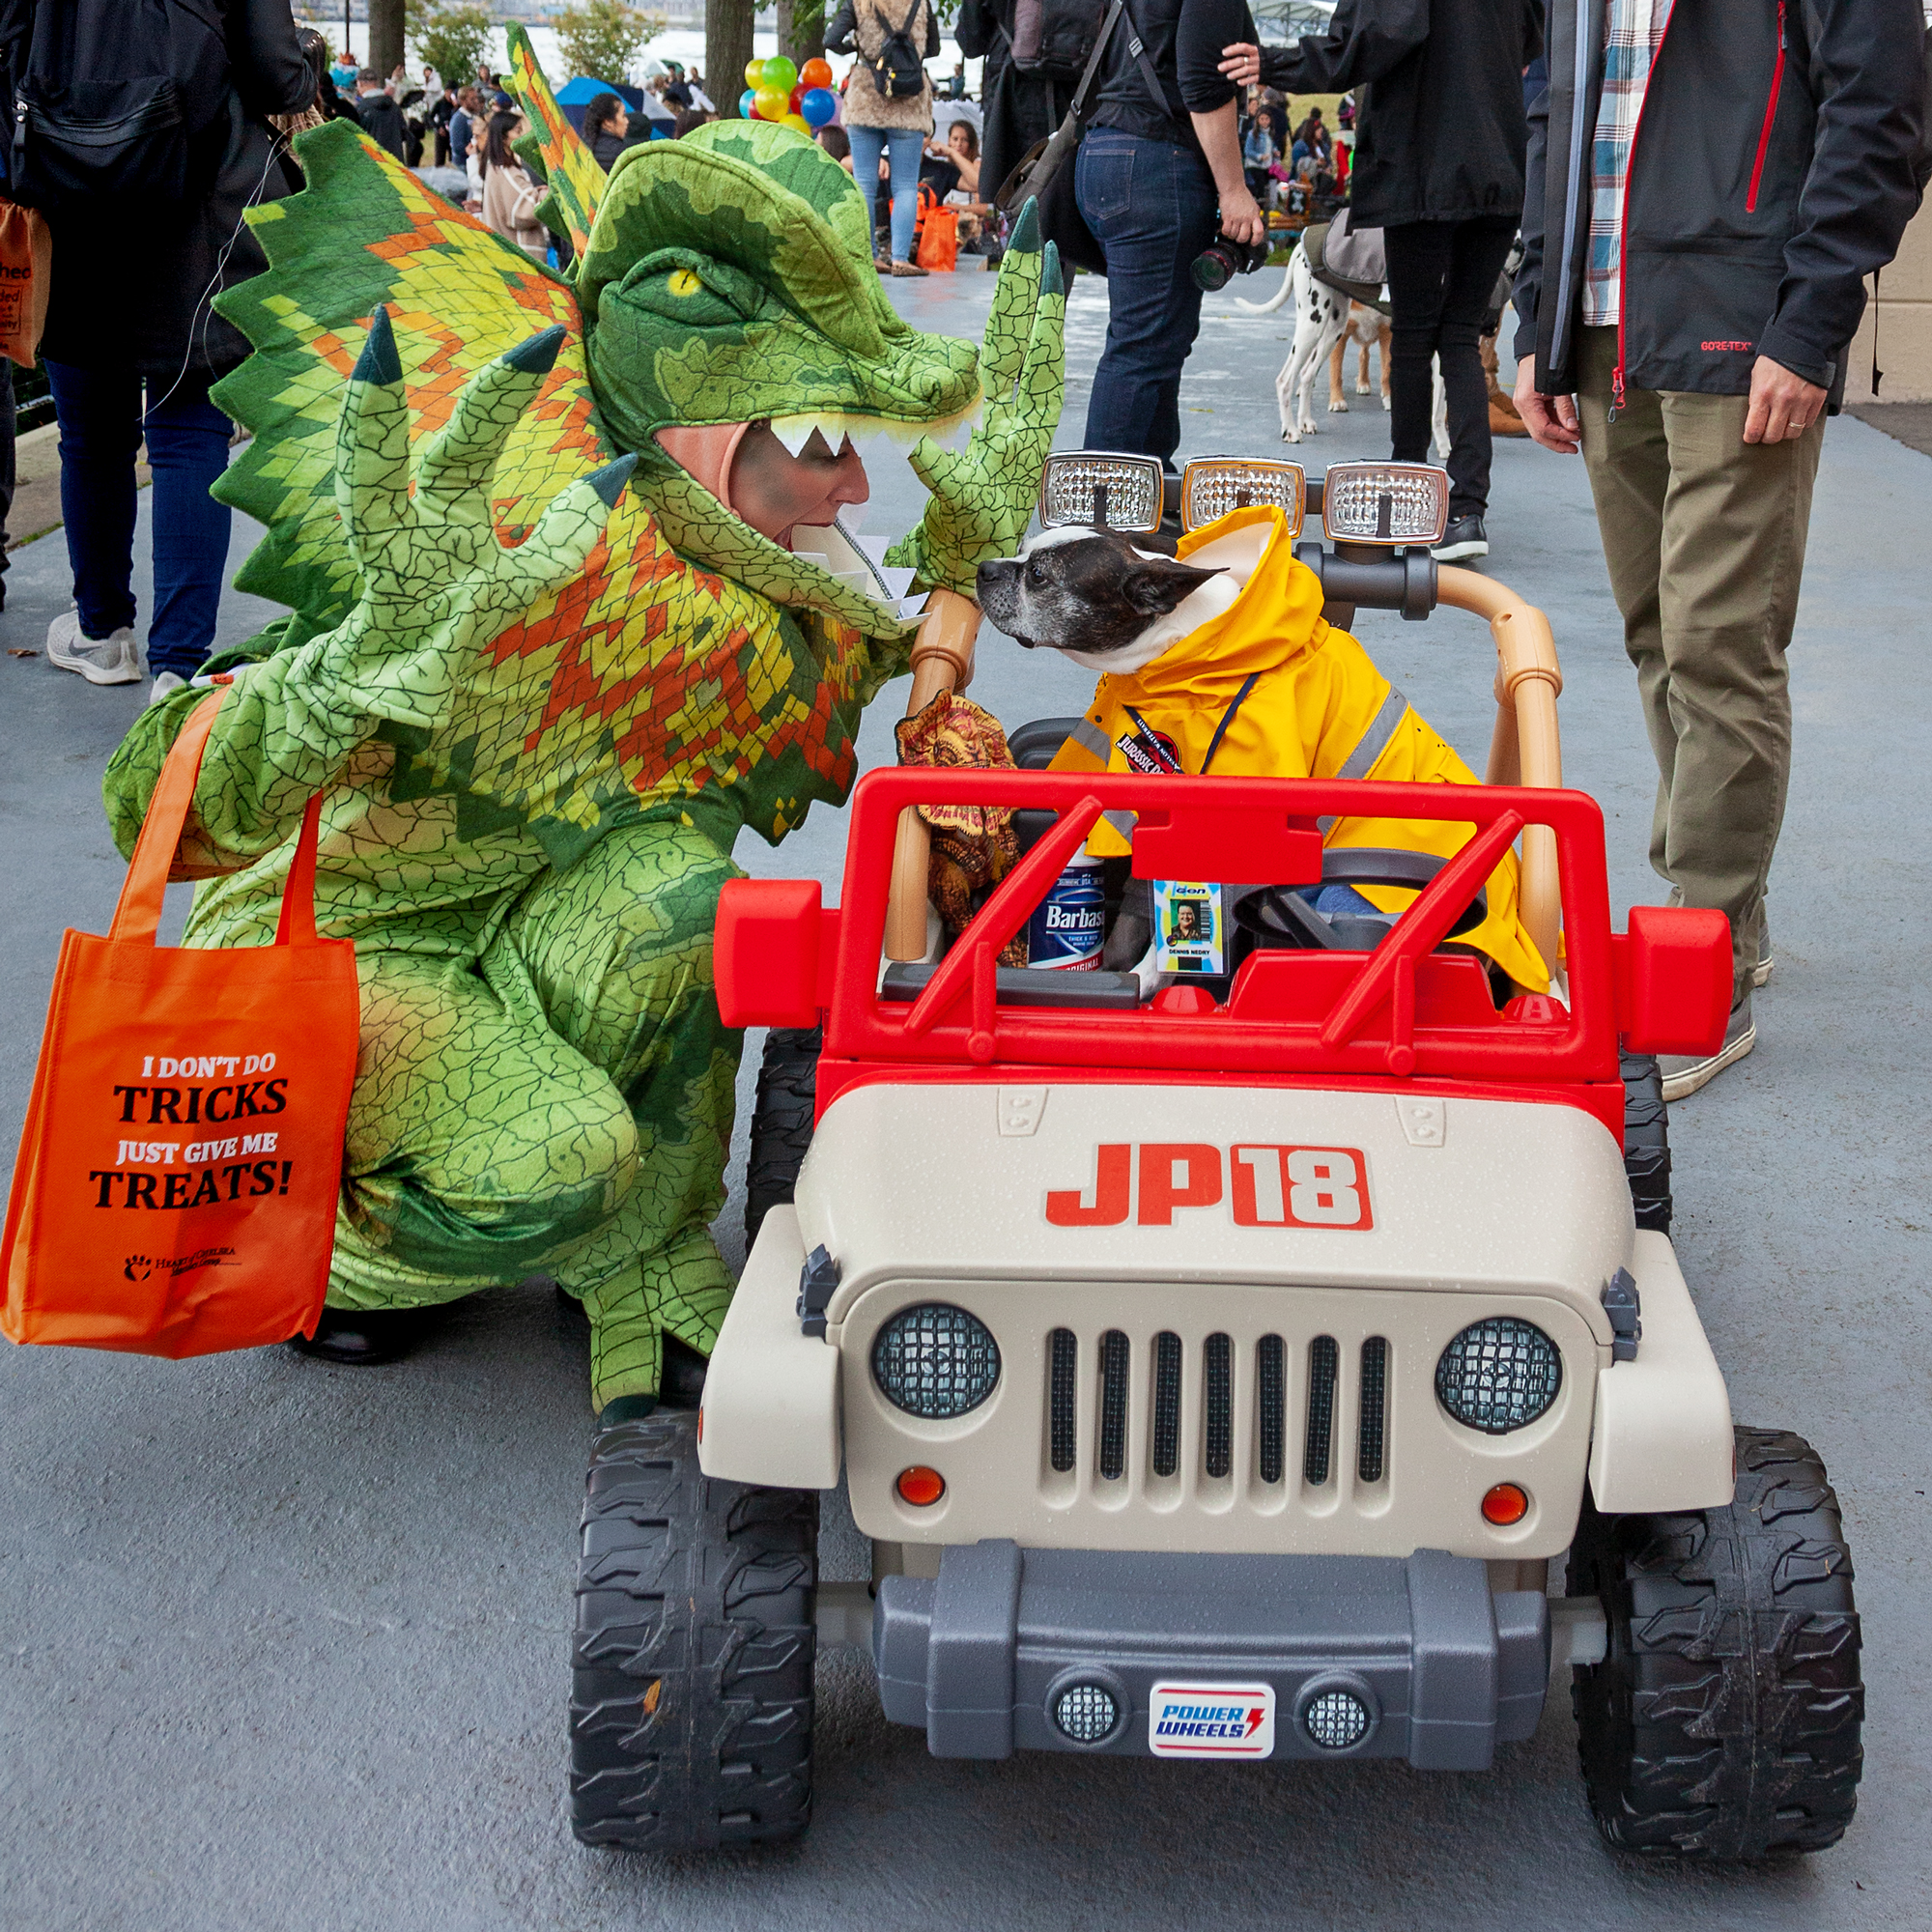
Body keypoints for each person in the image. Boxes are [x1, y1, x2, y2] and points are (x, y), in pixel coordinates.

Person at [1512, 0, 1928, 1098]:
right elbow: (1555, 117)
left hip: (1740, 319)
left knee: (1716, 639)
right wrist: (1537, 314)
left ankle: (1702, 954)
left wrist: (1806, 327)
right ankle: (1720, 913)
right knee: (1655, 632)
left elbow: (1880, 117)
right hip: (1600, 324)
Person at [32, 0, 311, 698]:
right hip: (201, 200)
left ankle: (102, 632)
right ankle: (178, 668)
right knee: (191, 435)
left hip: (69, 190)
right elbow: (276, 73)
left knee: (90, 435)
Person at [1221, 0, 1544, 562]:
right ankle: (1467, 513)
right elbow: (1534, 40)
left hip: (1420, 162)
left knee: (1416, 334)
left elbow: (1370, 41)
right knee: (1461, 338)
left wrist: (1271, 63)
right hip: (1498, 161)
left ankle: (1409, 498)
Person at [1075, 0, 1266, 468]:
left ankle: (1149, 489)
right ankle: (1100, 514)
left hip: (1105, 150)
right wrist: (1233, 188)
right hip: (1156, 162)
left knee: (1156, 342)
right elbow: (1204, 79)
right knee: (1141, 350)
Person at [828, 0, 943, 276]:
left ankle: (870, 255)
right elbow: (935, 48)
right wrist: (906, 56)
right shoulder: (921, 3)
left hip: (866, 97)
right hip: (909, 100)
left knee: (864, 183)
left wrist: (858, 48)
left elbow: (831, 39)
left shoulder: (859, 3)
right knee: (904, 185)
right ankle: (901, 258)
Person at [955, 0, 1075, 228]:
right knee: (1064, 199)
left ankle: (1024, 258)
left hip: (1013, 90)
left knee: (1019, 201)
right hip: (1074, 85)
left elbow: (971, 42)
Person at [479, 108, 548, 261]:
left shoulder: (496, 168)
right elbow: (523, 211)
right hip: (521, 254)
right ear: (503, 137)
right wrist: (548, 193)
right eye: (517, 131)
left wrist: (535, 191)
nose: (522, 135)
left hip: (507, 254)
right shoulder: (506, 171)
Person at [351, 67, 407, 158]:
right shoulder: (394, 106)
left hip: (372, 164)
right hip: (395, 163)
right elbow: (404, 134)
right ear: (376, 82)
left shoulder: (360, 109)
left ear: (359, 83)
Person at [582, 92, 631, 170]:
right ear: (608, 121)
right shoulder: (621, 153)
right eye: (623, 116)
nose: (627, 121)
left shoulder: (580, 146)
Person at [446, 84, 481, 177]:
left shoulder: (473, 116)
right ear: (462, 101)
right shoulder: (458, 120)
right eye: (472, 99)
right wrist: (476, 149)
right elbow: (457, 146)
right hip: (462, 166)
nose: (476, 101)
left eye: (476, 98)